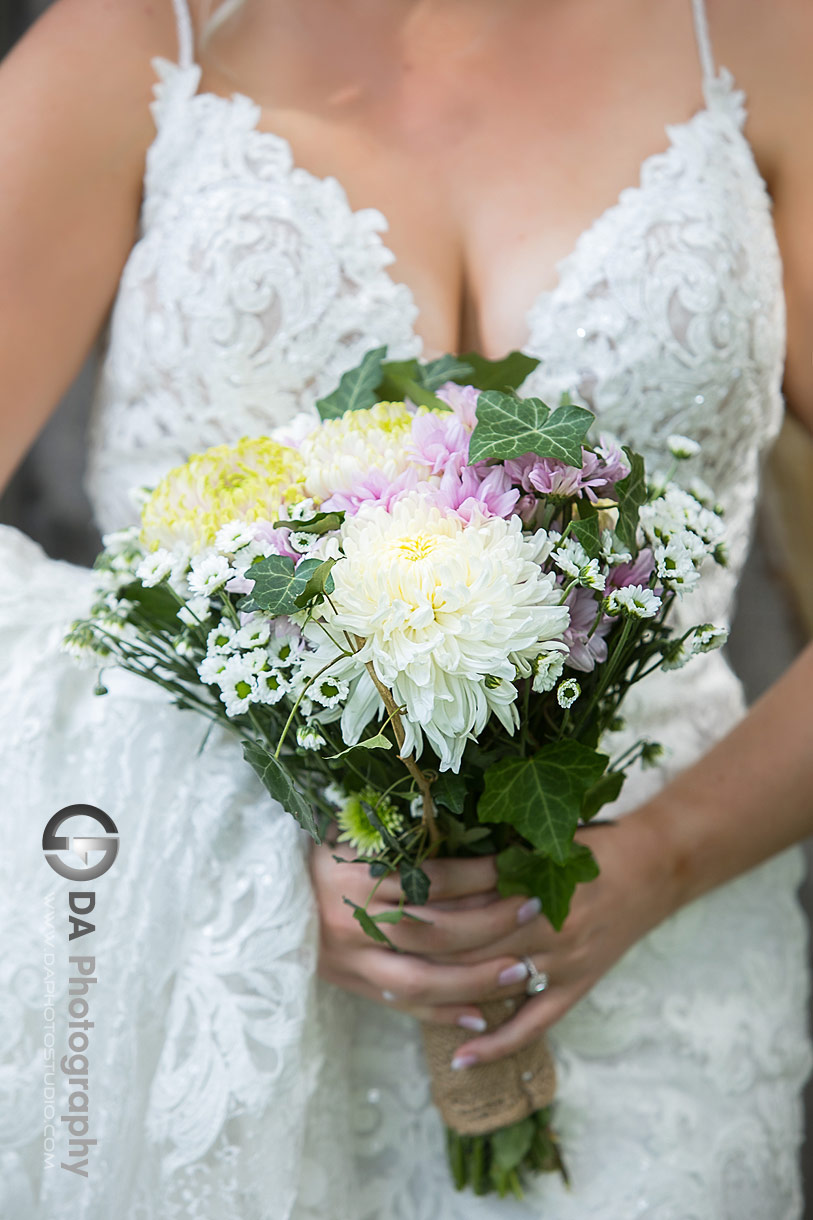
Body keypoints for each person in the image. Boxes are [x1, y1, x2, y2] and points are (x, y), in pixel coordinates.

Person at [1, 0, 811, 1216]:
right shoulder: (137, 41)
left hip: (665, 986)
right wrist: (229, 851)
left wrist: (663, 857)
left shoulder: (758, 37)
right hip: (223, 991)